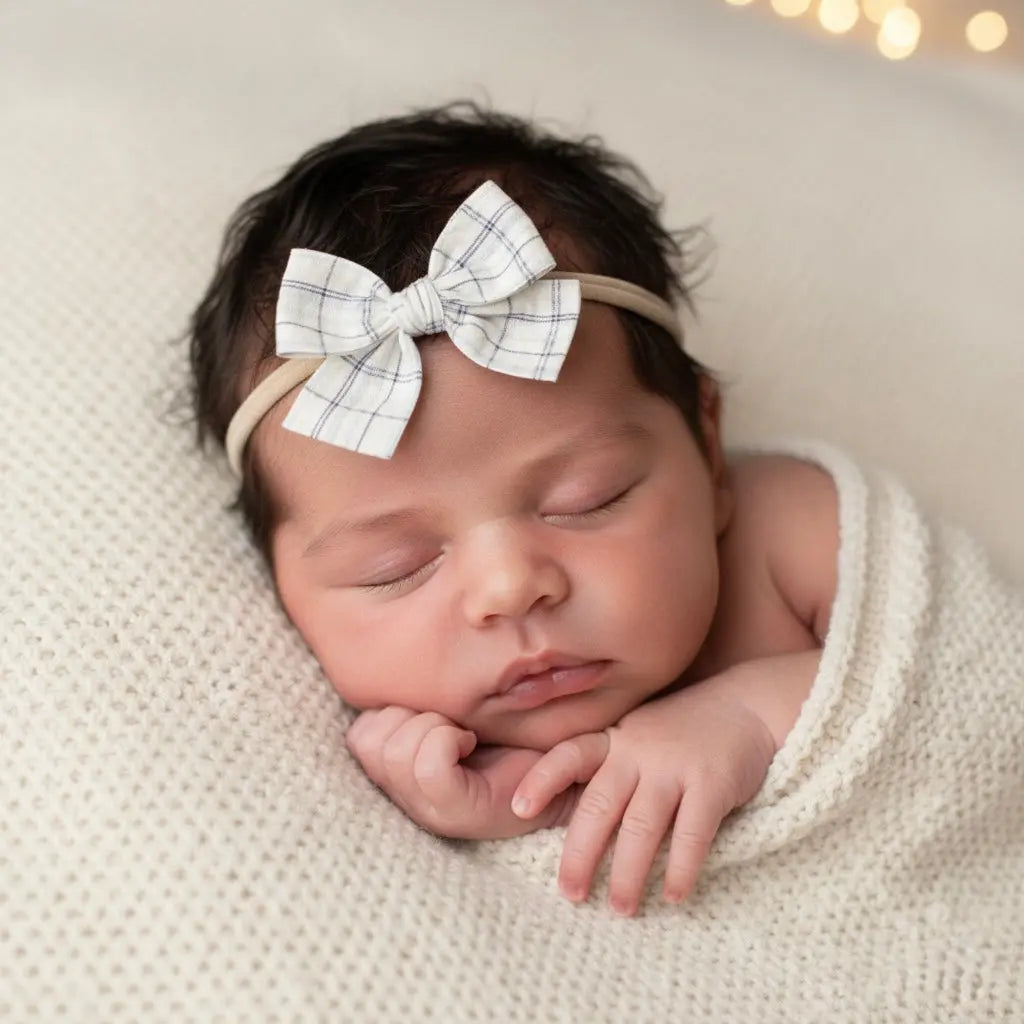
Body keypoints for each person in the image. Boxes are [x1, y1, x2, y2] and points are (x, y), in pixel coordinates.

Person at [187, 102, 838, 917]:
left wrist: (750, 712)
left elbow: (984, 684)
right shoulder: (396, 777)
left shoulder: (791, 536)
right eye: (397, 568)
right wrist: (523, 808)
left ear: (706, 446)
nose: (509, 587)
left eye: (586, 500)